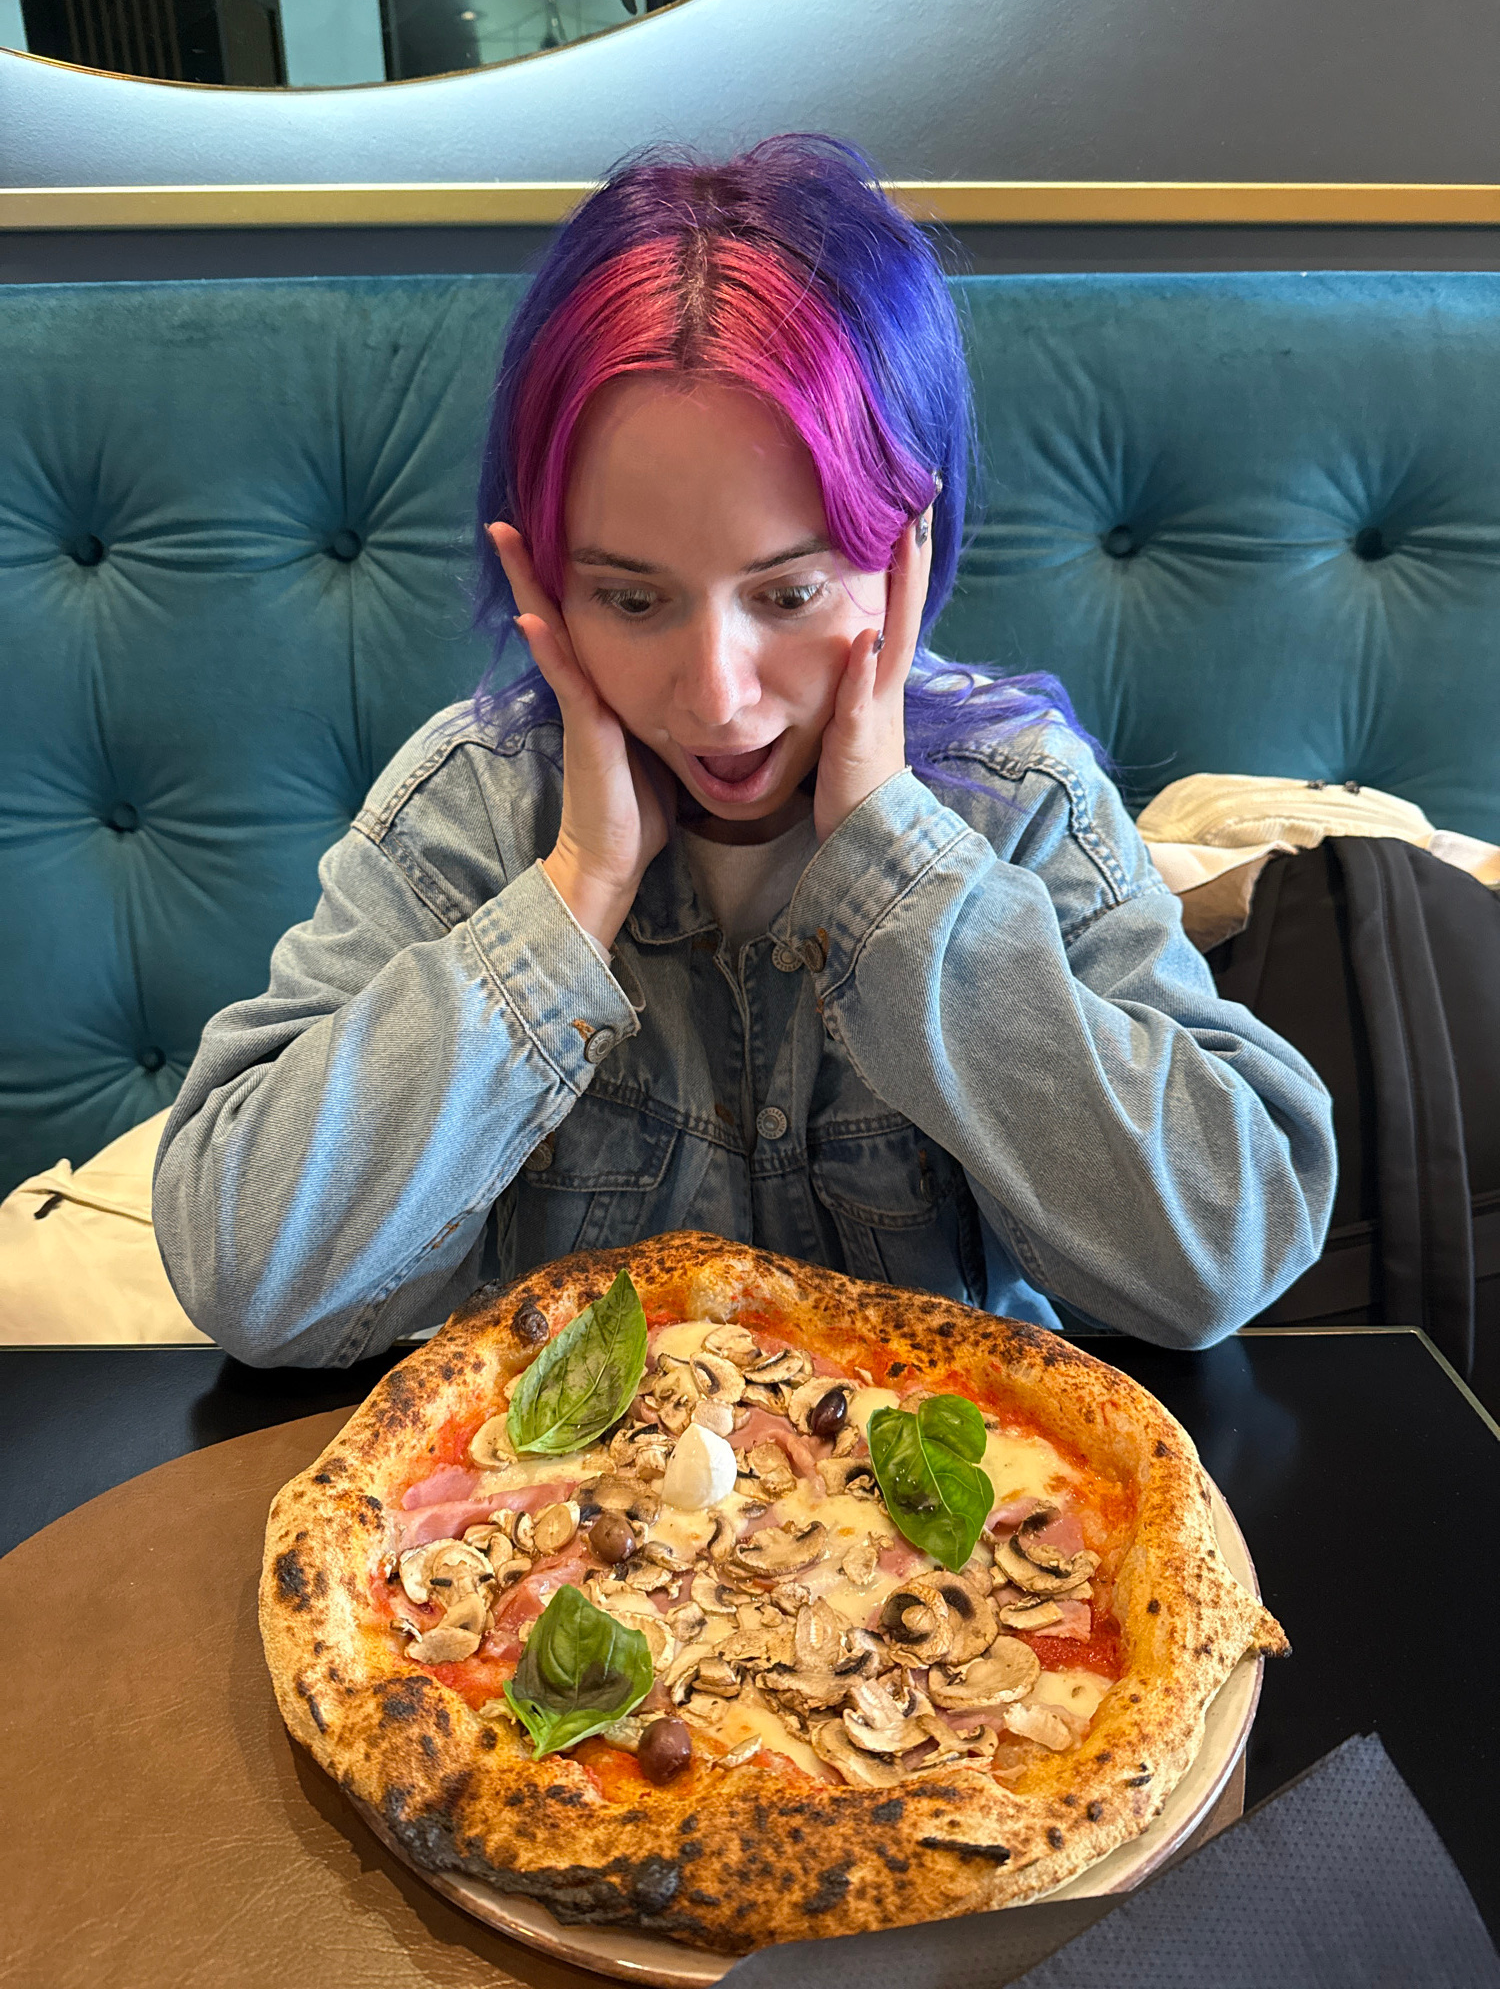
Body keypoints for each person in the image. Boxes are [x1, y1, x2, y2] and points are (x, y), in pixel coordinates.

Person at [152, 136, 1335, 1368]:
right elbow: (245, 1273)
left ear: (908, 551)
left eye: (789, 594)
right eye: (631, 598)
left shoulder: (1015, 801)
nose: (718, 700)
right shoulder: (480, 805)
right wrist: (572, 897)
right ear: (541, 575)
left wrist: (897, 874)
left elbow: (1221, 1251)